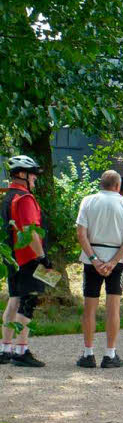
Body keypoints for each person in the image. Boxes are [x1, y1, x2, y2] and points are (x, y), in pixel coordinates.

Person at [75, 170, 123, 368]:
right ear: (118, 186)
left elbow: (81, 234)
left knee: (89, 307)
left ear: (101, 184)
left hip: (92, 257)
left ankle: (88, 353)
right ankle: (110, 354)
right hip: (116, 260)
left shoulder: (88, 201)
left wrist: (94, 259)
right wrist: (113, 261)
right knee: (113, 309)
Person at [0, 155, 50, 368]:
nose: (35, 179)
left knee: (14, 299)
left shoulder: (7, 197)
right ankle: (21, 350)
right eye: (33, 175)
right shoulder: (25, 199)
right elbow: (30, 232)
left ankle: (5, 348)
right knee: (28, 302)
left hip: (11, 258)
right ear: (22, 175)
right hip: (29, 258)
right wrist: (43, 258)